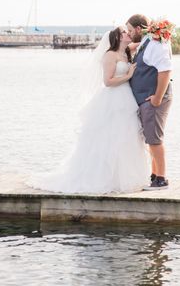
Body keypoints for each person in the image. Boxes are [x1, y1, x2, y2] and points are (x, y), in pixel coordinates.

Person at [28, 27, 150, 194]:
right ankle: (103, 178)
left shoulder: (126, 51)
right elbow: (107, 81)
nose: (128, 33)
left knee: (125, 136)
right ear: (117, 38)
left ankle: (122, 178)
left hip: (126, 99)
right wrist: (128, 76)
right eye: (124, 32)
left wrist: (157, 32)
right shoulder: (110, 55)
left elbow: (145, 42)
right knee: (109, 138)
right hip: (113, 99)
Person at [126, 14, 173, 190]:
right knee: (150, 139)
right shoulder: (147, 42)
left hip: (153, 99)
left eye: (131, 30)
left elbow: (165, 70)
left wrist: (157, 98)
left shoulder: (155, 44)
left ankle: (161, 179)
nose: (129, 34)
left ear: (139, 29)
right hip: (147, 98)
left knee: (155, 140)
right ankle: (154, 176)